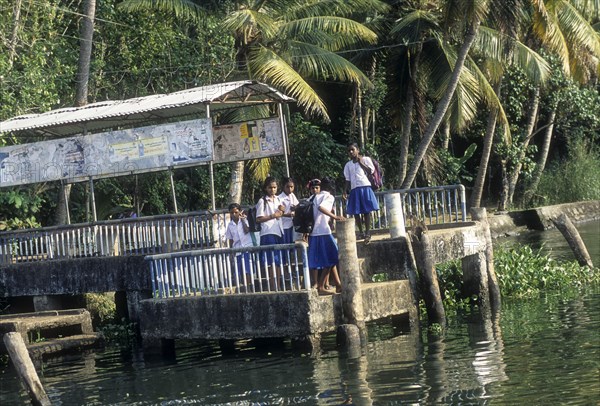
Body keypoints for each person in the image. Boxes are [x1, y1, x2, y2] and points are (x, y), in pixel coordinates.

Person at [307, 178, 345, 295]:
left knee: (325, 259)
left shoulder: (313, 197)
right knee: (333, 256)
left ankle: (337, 285)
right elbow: (321, 208)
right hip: (323, 230)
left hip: (314, 232)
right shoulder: (328, 197)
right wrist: (334, 216)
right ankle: (321, 286)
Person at [343, 142, 380, 244]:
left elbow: (370, 171)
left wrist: (361, 163)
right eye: (349, 150)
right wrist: (345, 191)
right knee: (356, 212)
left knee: (366, 211)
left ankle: (368, 232)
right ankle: (361, 231)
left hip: (364, 186)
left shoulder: (365, 159)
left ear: (357, 150)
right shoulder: (348, 165)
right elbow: (347, 179)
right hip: (354, 189)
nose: (351, 152)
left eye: (352, 150)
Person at [255, 176, 285, 290]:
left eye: (274, 187)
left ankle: (277, 285)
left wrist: (282, 210)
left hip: (278, 231)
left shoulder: (278, 199)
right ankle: (273, 286)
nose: (272, 190)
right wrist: (273, 216)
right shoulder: (262, 201)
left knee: (277, 261)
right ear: (266, 188)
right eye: (270, 188)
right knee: (270, 261)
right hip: (268, 232)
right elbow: (258, 218)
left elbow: (280, 214)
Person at [225, 203, 253, 289]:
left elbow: (247, 230)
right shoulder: (230, 225)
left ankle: (249, 286)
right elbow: (230, 239)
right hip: (237, 250)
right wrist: (231, 251)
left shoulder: (245, 220)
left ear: (239, 212)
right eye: (232, 213)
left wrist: (243, 220)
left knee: (248, 269)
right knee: (240, 270)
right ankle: (244, 286)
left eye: (236, 212)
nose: (234, 215)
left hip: (247, 247)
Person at [278, 176, 299, 245]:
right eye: (287, 187)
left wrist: (295, 208)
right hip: (284, 226)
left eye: (291, 187)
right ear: (283, 186)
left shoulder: (292, 195)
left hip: (291, 225)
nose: (290, 189)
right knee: (285, 245)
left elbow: (297, 205)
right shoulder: (280, 198)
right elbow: (278, 213)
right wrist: (288, 215)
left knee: (292, 245)